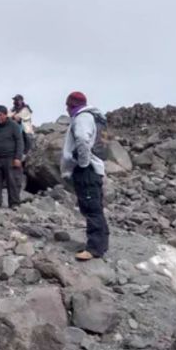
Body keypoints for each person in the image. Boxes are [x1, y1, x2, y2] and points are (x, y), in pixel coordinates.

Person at [60, 91, 109, 261]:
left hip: (87, 170)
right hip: (93, 169)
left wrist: (82, 163)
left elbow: (81, 139)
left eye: (67, 105)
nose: (66, 108)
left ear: (72, 105)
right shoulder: (92, 117)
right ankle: (101, 243)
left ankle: (94, 248)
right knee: (95, 206)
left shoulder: (82, 118)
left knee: (90, 207)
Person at [0, 105, 24, 209]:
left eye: (0, 115)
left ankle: (14, 203)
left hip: (11, 158)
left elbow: (19, 142)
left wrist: (18, 157)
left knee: (13, 181)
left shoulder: (13, 126)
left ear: (5, 114)